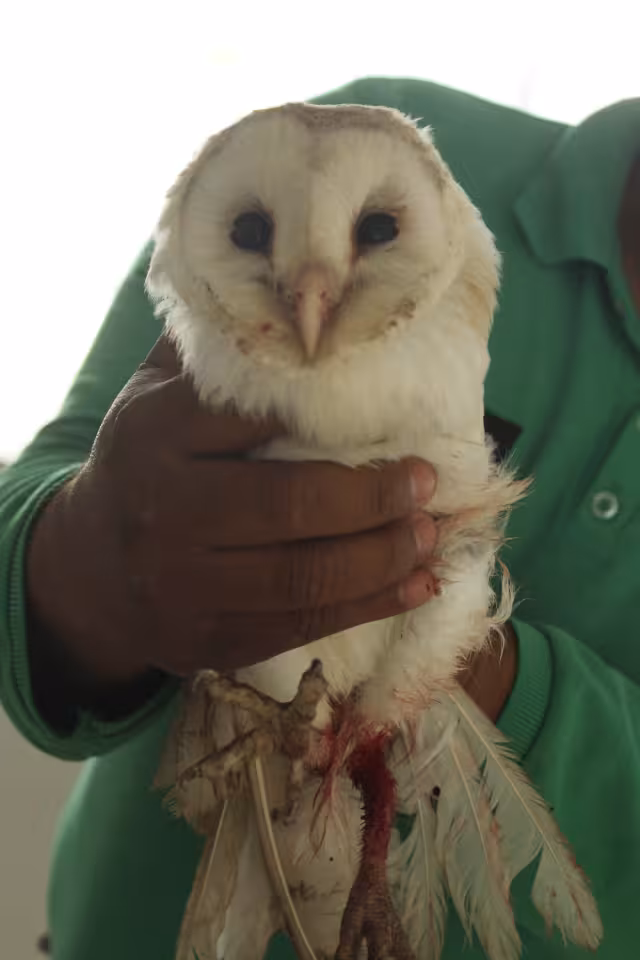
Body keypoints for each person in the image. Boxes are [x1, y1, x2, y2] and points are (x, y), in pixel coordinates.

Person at [0, 75, 638, 960]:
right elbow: (41, 496)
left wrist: (460, 663)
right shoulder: (352, 147)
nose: (307, 295)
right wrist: (87, 559)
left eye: (378, 231)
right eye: (249, 234)